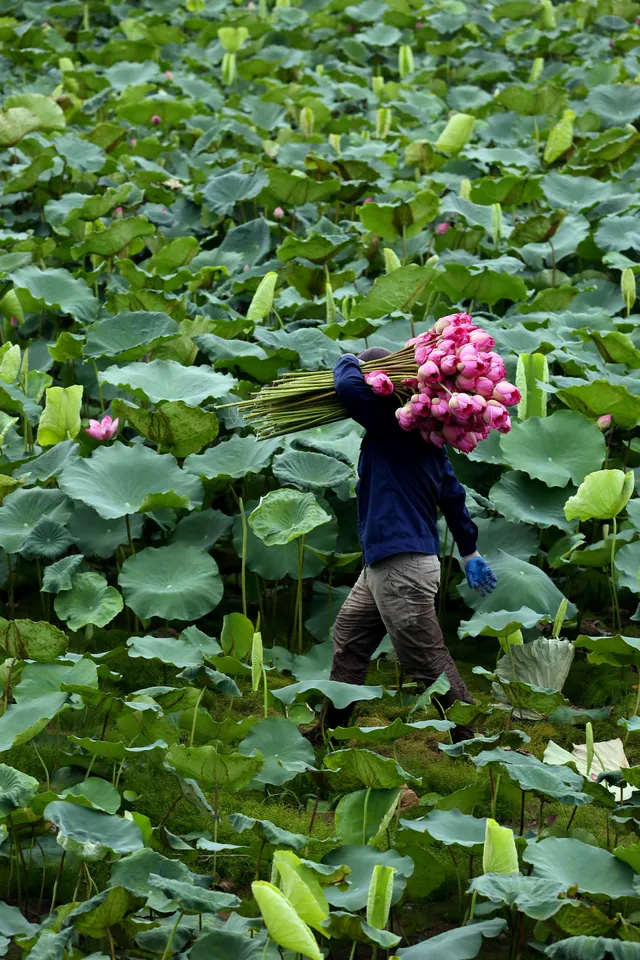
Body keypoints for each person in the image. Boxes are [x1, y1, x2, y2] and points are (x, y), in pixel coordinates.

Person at [313, 346, 497, 743]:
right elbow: (454, 498)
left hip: (401, 568)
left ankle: (470, 738)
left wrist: (351, 361)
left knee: (425, 658)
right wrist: (470, 551)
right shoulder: (431, 439)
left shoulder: (392, 423)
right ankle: (329, 730)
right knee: (349, 637)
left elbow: (347, 388)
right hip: (389, 564)